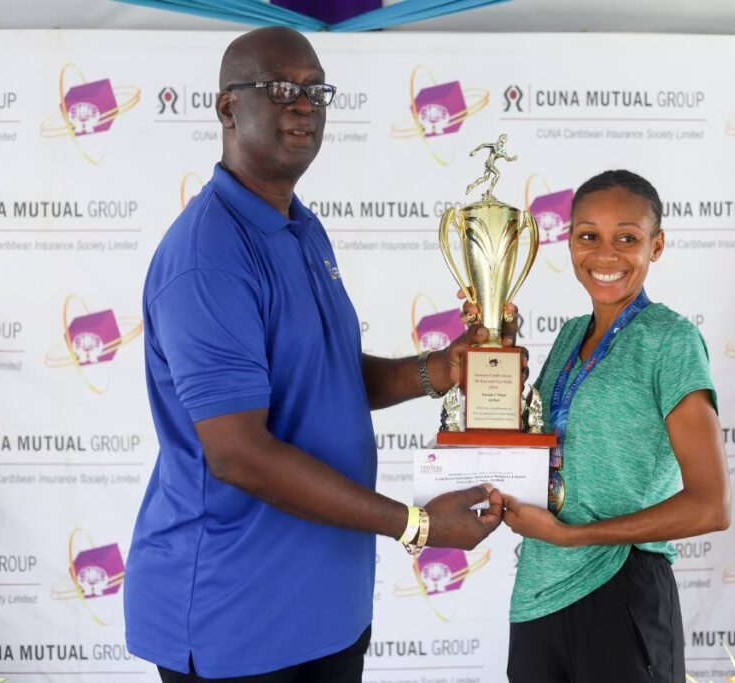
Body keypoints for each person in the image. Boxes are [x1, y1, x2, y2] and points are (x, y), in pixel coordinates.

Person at [124, 27, 517, 683]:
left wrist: (440, 369)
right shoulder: (209, 255)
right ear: (227, 107)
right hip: (237, 620)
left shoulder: (300, 225)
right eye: (280, 88)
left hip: (324, 608)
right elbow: (239, 452)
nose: (304, 105)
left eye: (316, 90)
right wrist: (417, 526)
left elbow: (323, 376)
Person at [500, 170, 730, 683]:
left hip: (621, 586)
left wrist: (576, 537)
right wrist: (493, 359)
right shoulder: (567, 338)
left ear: (657, 245)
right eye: (589, 236)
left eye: (627, 238)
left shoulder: (670, 341)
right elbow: (543, 451)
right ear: (570, 240)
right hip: (539, 590)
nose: (605, 256)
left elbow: (712, 504)